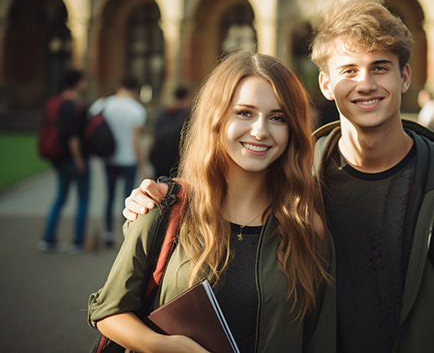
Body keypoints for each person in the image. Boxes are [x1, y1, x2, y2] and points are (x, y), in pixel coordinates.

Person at [123, 0, 434, 353]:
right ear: (326, 84)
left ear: (405, 78)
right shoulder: (289, 181)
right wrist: (161, 197)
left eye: (380, 67)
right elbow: (220, 190)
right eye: (349, 70)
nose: (366, 83)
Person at [88, 51, 335, 353]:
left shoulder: (305, 224)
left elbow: (319, 337)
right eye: (244, 113)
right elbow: (109, 310)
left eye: (277, 117)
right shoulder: (164, 207)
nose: (260, 131)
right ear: (216, 117)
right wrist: (168, 347)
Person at [90, 76, 147, 247]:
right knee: (128, 198)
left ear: (118, 86)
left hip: (109, 157)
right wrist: (142, 164)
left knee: (109, 196)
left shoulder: (103, 104)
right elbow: (135, 141)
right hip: (128, 158)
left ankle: (108, 233)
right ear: (135, 90)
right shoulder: (137, 109)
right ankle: (126, 234)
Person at [39, 69, 90, 253]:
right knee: (83, 200)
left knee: (60, 198)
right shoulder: (75, 106)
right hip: (74, 159)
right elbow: (73, 137)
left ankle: (48, 238)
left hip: (58, 158)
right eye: (83, 81)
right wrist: (79, 161)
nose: (85, 84)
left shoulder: (54, 103)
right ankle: (78, 241)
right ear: (76, 83)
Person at [149, 85, 192, 179]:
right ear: (186, 97)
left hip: (159, 158)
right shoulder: (188, 116)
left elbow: (154, 136)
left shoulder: (163, 113)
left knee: (159, 187)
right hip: (176, 161)